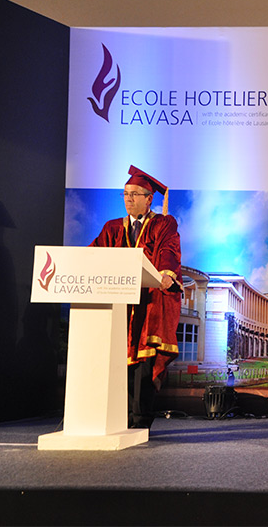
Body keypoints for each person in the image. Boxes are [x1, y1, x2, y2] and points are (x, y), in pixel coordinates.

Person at [90, 165, 182, 429]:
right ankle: (118, 417)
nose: (128, 199)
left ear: (149, 199)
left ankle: (140, 420)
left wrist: (166, 273)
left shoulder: (162, 224)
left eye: (134, 194)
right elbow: (93, 254)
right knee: (118, 361)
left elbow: (168, 250)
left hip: (149, 302)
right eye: (125, 194)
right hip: (118, 304)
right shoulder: (112, 228)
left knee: (143, 364)